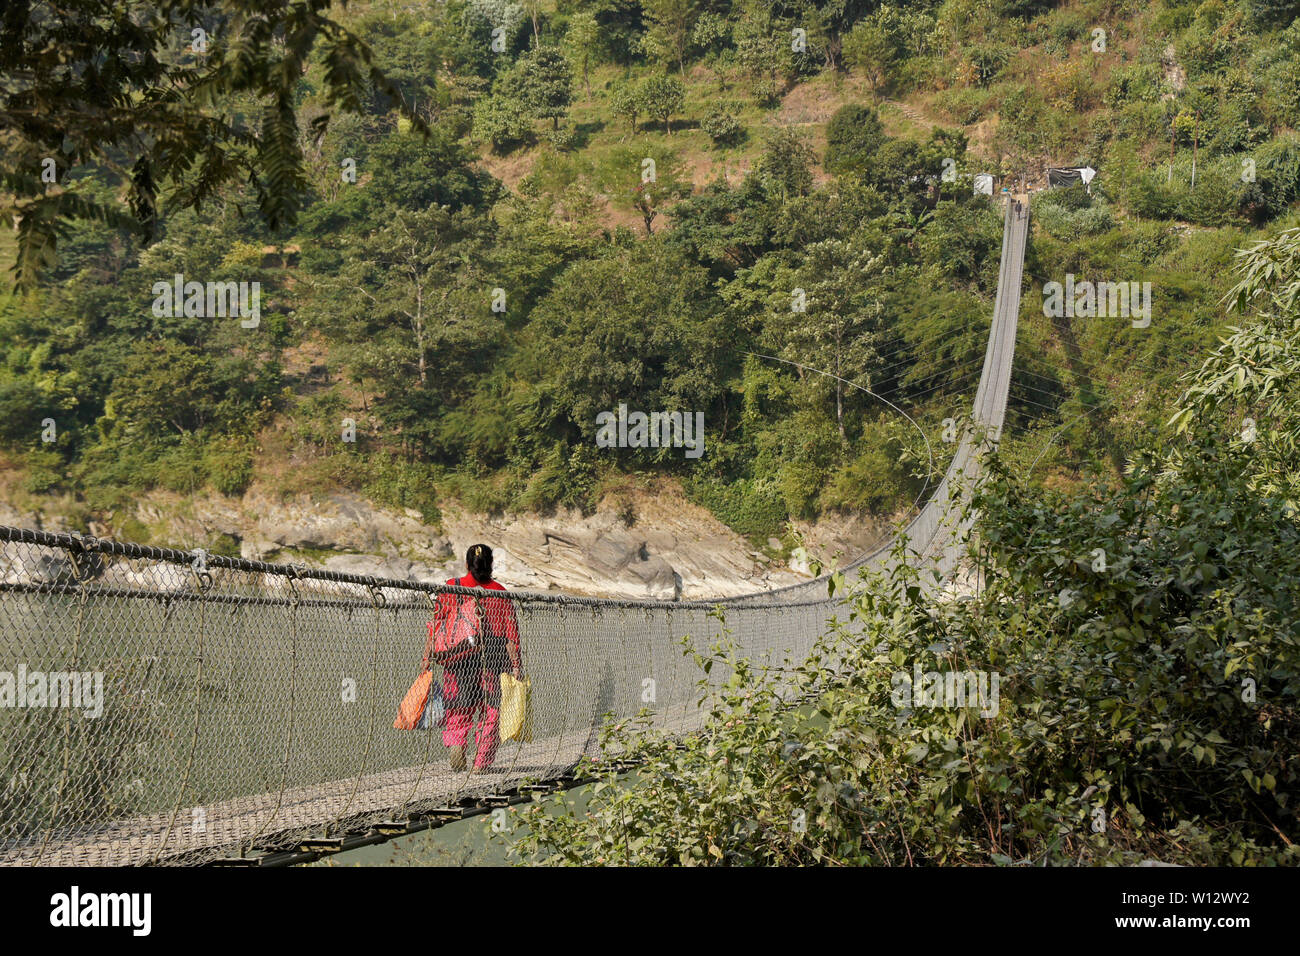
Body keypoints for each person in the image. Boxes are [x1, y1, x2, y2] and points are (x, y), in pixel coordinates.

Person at [431, 544, 522, 773]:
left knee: (458, 706)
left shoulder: (452, 587)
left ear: (466, 564)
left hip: (458, 658)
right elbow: (511, 634)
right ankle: (481, 762)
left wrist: (428, 655)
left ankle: (457, 743)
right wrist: (516, 665)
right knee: (491, 710)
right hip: (493, 658)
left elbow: (436, 624)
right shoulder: (500, 592)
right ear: (491, 564)